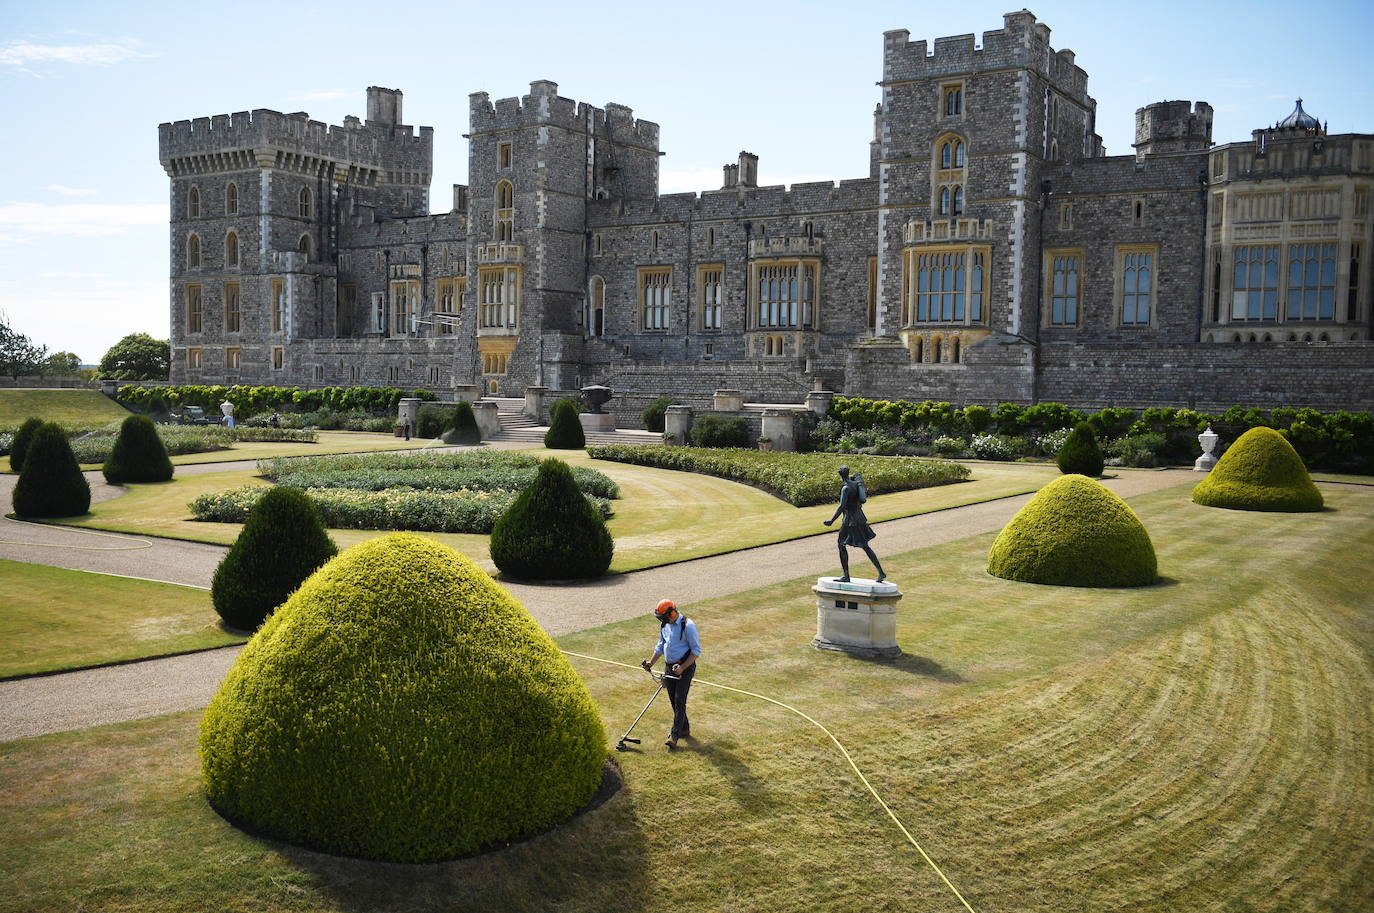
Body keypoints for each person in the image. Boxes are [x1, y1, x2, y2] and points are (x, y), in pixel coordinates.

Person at [641, 599, 700, 750]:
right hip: (669, 667)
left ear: (672, 612)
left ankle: (674, 736)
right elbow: (661, 645)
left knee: (680, 701)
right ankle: (684, 729)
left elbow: (695, 652)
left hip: (684, 668)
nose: (663, 621)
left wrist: (682, 668)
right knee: (674, 701)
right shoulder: (664, 625)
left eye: (664, 617)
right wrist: (651, 663)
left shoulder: (688, 626)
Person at [823, 465, 886, 583]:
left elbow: (842, 506)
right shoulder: (855, 483)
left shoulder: (845, 488)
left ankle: (847, 576)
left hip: (850, 520)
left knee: (843, 544)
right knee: (863, 546)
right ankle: (880, 572)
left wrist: (831, 521)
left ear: (840, 474)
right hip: (859, 517)